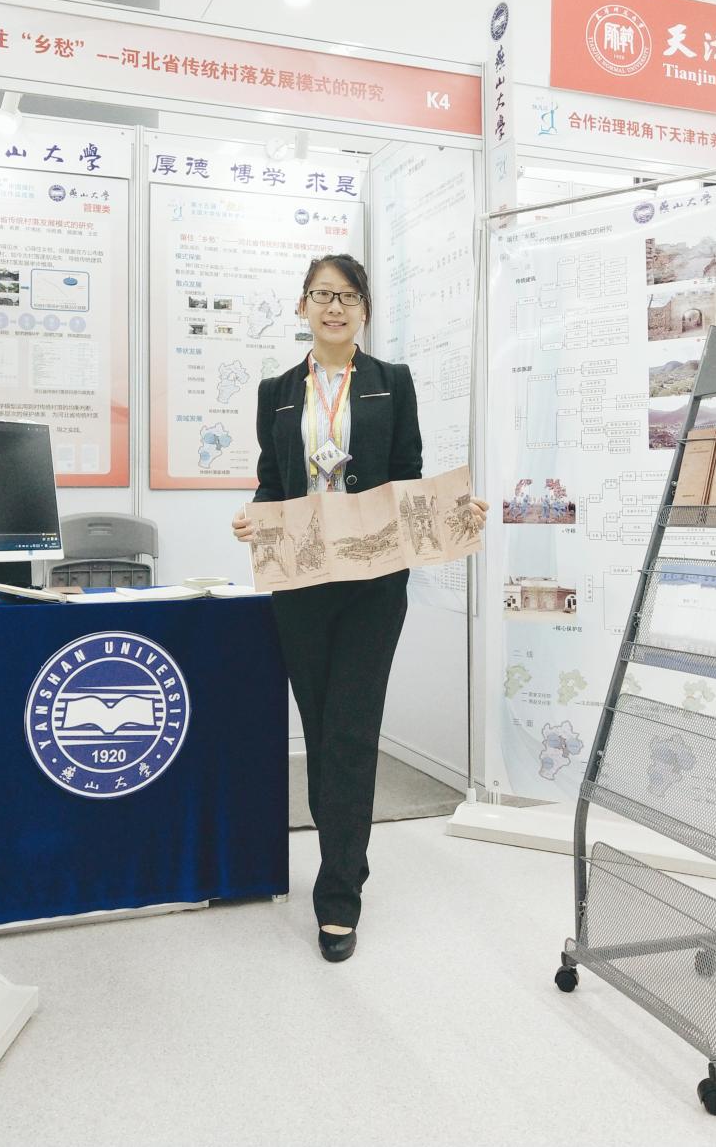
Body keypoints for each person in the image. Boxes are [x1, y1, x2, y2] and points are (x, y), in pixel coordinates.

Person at [232, 254, 488, 963]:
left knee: (351, 728)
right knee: (321, 730)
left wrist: (455, 512)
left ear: (364, 309)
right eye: (322, 295)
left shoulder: (390, 383)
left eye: (347, 296)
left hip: (375, 584)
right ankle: (340, 853)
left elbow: (408, 476)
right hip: (302, 582)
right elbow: (272, 481)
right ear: (303, 306)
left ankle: (340, 893)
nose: (334, 307)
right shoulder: (276, 392)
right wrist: (253, 517)